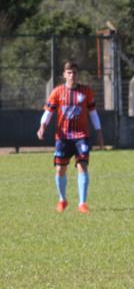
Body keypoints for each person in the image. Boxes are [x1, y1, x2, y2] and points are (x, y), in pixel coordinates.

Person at [37, 60, 105, 213]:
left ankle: (82, 203)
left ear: (77, 74)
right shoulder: (57, 92)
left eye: (74, 72)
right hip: (62, 137)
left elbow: (93, 113)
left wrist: (99, 131)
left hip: (81, 136)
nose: (72, 75)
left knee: (82, 165)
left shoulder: (86, 92)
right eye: (69, 72)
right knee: (60, 168)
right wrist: (42, 126)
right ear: (64, 75)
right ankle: (62, 200)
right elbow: (48, 112)